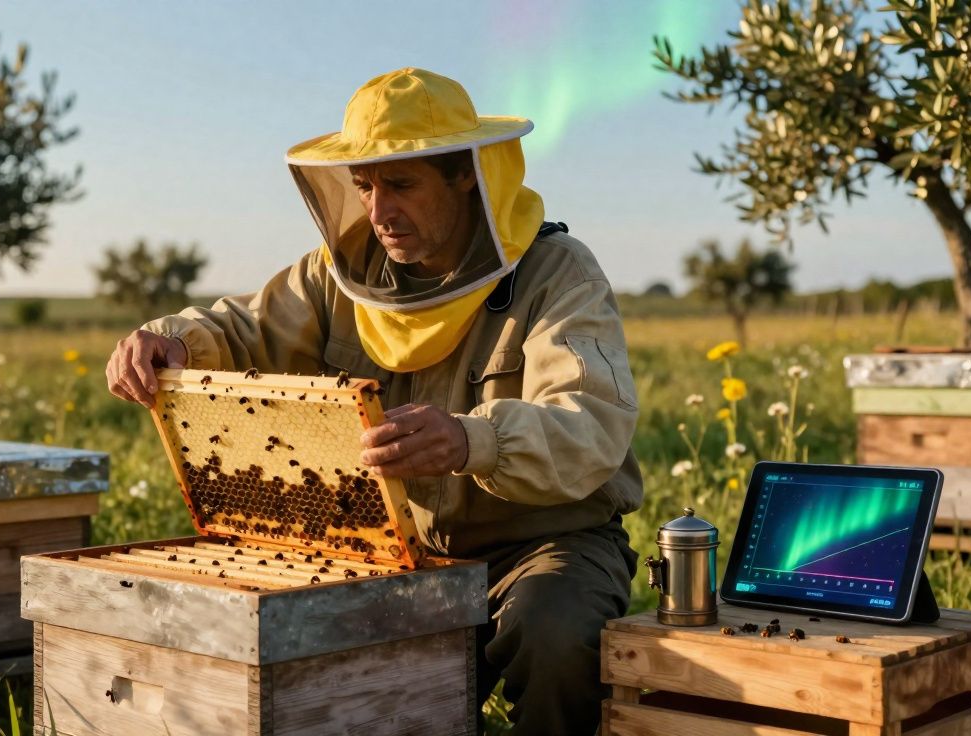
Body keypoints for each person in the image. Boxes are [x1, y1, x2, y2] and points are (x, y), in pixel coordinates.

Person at [106, 67, 642, 735]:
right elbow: (242, 327)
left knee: (554, 631)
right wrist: (169, 340)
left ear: (466, 176)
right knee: (326, 659)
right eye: (364, 186)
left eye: (402, 184)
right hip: (399, 549)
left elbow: (591, 424)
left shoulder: (556, 273)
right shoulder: (339, 275)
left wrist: (474, 439)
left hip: (544, 540)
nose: (379, 210)